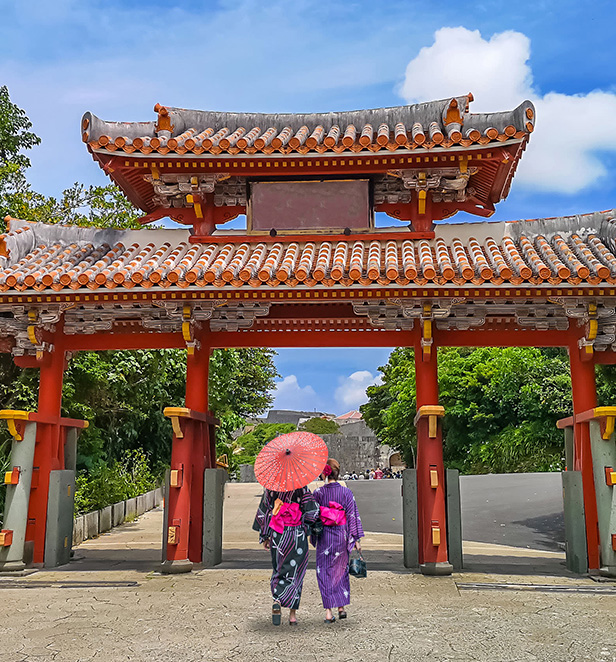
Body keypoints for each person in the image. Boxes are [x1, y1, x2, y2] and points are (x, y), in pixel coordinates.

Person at [253, 486, 319, 626]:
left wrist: (265, 536)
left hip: (278, 533)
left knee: (279, 567)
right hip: (296, 534)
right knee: (296, 572)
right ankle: (292, 616)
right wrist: (306, 528)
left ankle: (277, 599)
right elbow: (311, 512)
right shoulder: (302, 487)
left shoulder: (272, 487)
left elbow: (265, 511)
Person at [311, 458, 364, 623]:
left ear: (324, 474)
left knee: (325, 571)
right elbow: (352, 516)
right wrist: (355, 539)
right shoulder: (346, 493)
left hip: (325, 536)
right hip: (341, 534)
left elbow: (313, 516)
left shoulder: (318, 494)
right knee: (340, 570)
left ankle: (328, 612)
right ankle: (341, 607)